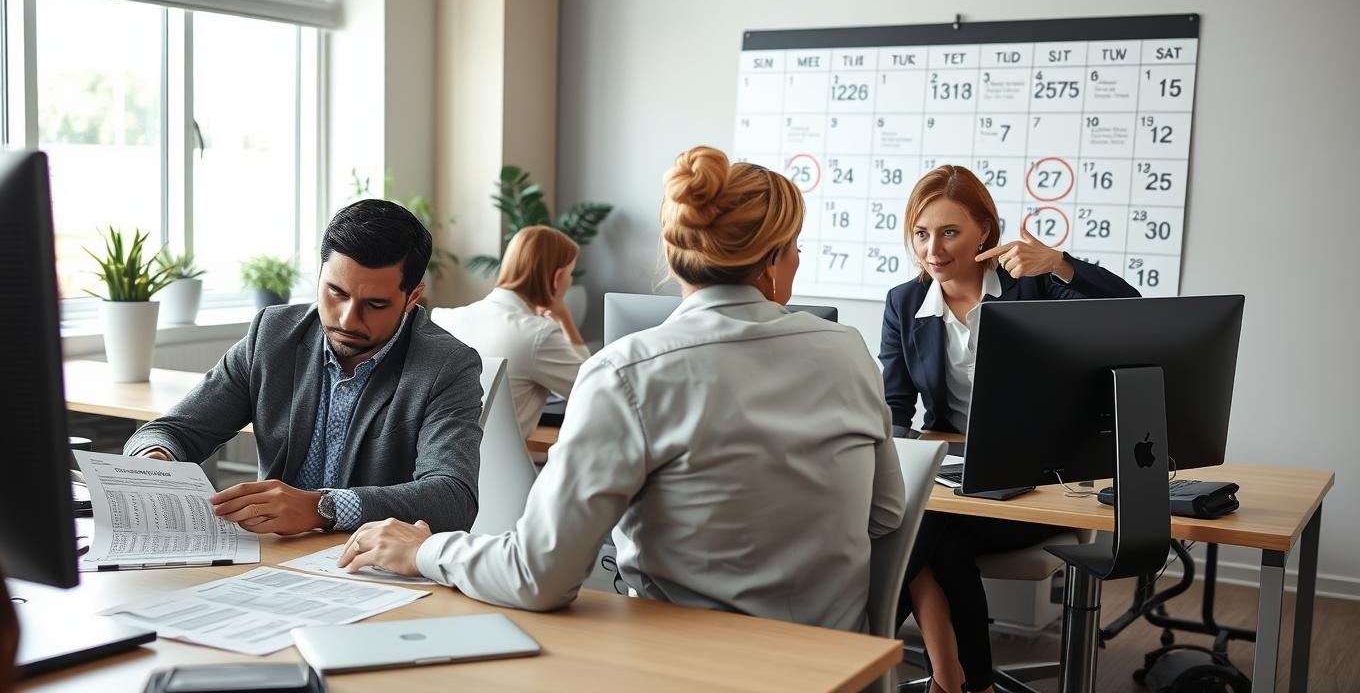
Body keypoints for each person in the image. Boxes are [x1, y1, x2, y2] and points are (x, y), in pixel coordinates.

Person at [338, 146, 907, 633]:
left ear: (672, 253)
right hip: (832, 668)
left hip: (685, 667)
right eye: (796, 247)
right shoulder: (847, 350)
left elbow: (540, 575)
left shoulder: (629, 372)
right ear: (773, 260)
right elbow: (883, 514)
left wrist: (423, 550)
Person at [880, 165, 1139, 693]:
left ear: (985, 232)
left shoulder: (1036, 286)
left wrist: (1063, 264)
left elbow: (1130, 313)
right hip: (954, 478)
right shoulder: (905, 303)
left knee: (915, 534)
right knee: (936, 538)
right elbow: (896, 410)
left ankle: (856, 649)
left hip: (1039, 481)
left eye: (950, 232)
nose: (934, 249)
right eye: (922, 233)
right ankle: (960, 682)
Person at [123, 199, 484, 535]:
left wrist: (322, 507)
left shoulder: (446, 366)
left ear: (412, 298)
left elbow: (453, 498)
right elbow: (174, 430)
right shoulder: (272, 335)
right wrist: (156, 458)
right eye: (336, 292)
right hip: (273, 561)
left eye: (375, 304)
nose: (347, 318)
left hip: (376, 567)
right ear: (320, 274)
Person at [432, 225, 589, 439]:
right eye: (570, 274)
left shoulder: (445, 320)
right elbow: (592, 387)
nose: (570, 282)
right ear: (557, 277)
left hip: (440, 466)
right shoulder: (538, 336)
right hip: (509, 472)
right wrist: (566, 320)